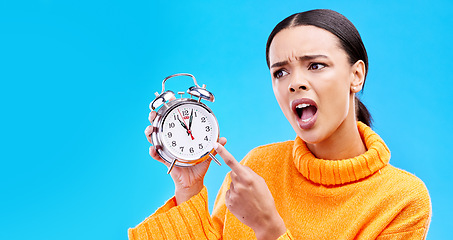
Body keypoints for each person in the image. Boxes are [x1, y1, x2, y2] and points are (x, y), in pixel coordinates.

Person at [129, 9, 431, 240]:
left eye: (315, 65)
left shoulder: (402, 200)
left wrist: (269, 228)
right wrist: (189, 188)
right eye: (280, 72)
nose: (295, 83)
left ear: (356, 76)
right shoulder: (258, 167)